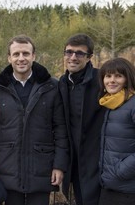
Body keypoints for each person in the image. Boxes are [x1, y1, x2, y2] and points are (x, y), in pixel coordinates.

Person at [0, 34, 69, 205]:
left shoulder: (52, 87)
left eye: (25, 53)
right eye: (16, 54)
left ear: (33, 56)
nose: (21, 58)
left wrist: (59, 165)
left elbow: (60, 129)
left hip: (41, 168)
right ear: (9, 58)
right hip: (7, 170)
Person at [58, 33, 106, 205]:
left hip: (99, 162)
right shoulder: (61, 83)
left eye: (79, 53)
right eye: (69, 52)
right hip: (73, 163)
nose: (73, 57)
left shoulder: (103, 80)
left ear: (89, 57)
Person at [98, 57, 135, 205]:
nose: (112, 80)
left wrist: (122, 170)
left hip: (128, 188)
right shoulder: (111, 102)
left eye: (118, 76)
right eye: (108, 76)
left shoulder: (132, 104)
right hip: (110, 185)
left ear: (127, 79)